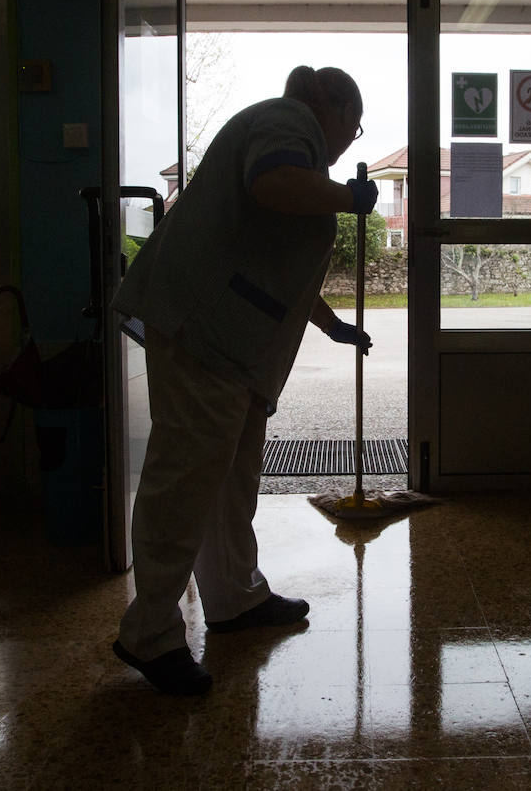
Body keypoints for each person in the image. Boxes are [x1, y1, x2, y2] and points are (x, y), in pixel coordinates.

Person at [111, 65, 378, 695]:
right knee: (185, 478)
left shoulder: (297, 141)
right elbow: (273, 182)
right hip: (207, 332)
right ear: (330, 106)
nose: (348, 139)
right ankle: (149, 632)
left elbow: (276, 266)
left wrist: (333, 326)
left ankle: (234, 599)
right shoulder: (290, 122)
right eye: (354, 124)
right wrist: (346, 196)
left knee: (228, 478)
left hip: (232, 343)